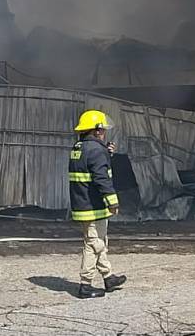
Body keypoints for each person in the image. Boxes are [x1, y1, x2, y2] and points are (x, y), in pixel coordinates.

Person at [68, 110, 127, 298]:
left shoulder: (79, 148)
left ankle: (108, 277)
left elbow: (89, 166)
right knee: (93, 244)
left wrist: (105, 154)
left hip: (83, 204)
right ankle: (85, 286)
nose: (104, 133)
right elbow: (101, 178)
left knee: (98, 241)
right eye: (102, 130)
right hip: (93, 207)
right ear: (97, 130)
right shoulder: (96, 150)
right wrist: (113, 202)